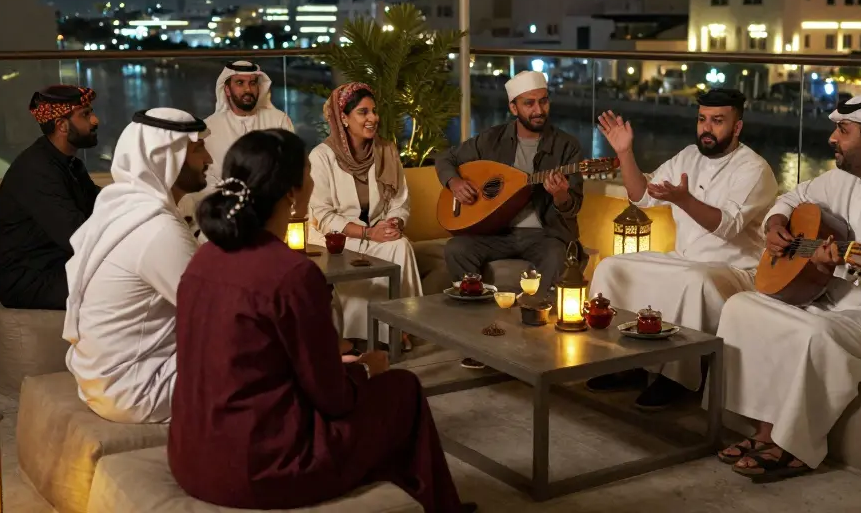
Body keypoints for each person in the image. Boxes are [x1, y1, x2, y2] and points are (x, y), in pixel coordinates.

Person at [169, 129, 474, 513]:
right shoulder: (290, 273)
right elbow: (332, 397)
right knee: (403, 388)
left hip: (190, 457)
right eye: (309, 174)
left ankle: (404, 495)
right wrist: (365, 369)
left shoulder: (204, 258)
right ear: (292, 193)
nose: (313, 182)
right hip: (261, 468)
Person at [717, 90, 861, 482]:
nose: (832, 139)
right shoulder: (842, 179)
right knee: (742, 306)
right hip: (834, 303)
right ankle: (759, 430)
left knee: (815, 332)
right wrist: (776, 224)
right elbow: (792, 197)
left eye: (842, 131)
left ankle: (794, 445)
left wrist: (838, 260)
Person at [585, 89, 777, 410]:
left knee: (694, 279)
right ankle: (621, 362)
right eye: (702, 119)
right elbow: (641, 195)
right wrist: (626, 152)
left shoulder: (754, 169)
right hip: (684, 261)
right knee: (613, 266)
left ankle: (678, 378)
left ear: (738, 126)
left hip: (733, 271)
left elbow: (726, 226)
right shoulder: (688, 155)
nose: (707, 128)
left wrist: (683, 199)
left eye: (717, 121)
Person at [63, 108, 212, 424]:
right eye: (199, 147)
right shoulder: (157, 229)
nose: (209, 158)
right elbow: (214, 311)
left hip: (102, 379)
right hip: (137, 387)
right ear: (168, 155)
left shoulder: (124, 206)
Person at [435, 70, 585, 369]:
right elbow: (445, 159)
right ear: (513, 108)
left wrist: (560, 196)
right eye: (528, 103)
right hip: (494, 231)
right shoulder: (492, 139)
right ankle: (480, 337)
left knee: (557, 255)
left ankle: (533, 341)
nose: (538, 110)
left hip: (544, 235)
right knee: (457, 249)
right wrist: (454, 183)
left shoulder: (566, 147)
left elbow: (572, 208)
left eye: (543, 102)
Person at [308, 83, 421, 350]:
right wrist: (368, 233)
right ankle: (361, 332)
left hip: (378, 230)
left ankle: (400, 326)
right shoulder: (321, 156)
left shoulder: (386, 151)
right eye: (363, 112)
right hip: (338, 237)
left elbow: (400, 200)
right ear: (343, 118)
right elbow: (322, 215)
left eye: (374, 111)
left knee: (400, 245)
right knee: (363, 253)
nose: (373, 118)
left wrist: (394, 223)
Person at [0, 86, 102, 310]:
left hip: (58, 265)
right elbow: (76, 234)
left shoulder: (70, 164)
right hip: (29, 280)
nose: (95, 120)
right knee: (125, 285)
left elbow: (101, 204)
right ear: (62, 125)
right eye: (86, 114)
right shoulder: (36, 170)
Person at [202, 61, 294, 190]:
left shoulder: (279, 121)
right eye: (240, 83)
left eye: (253, 83)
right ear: (227, 90)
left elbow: (291, 166)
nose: (248, 89)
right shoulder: (210, 127)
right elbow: (207, 177)